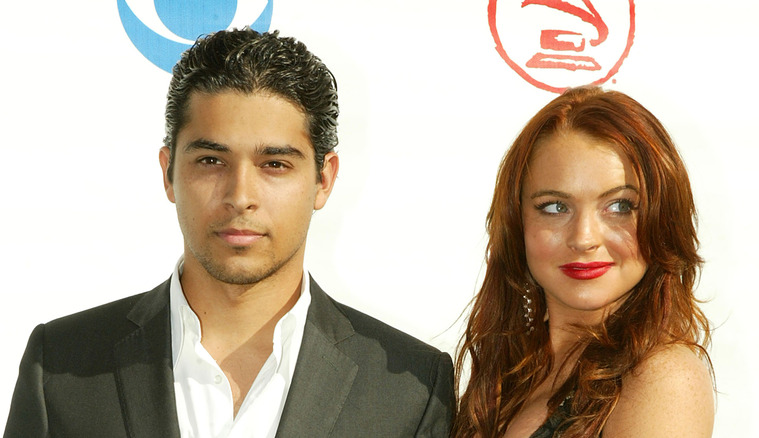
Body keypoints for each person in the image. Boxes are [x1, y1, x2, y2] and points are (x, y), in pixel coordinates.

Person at [4, 28, 454, 437]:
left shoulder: (410, 389)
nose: (240, 196)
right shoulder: (62, 365)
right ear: (168, 174)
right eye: (211, 161)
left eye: (274, 164)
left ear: (323, 179)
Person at [452, 86, 714, 437]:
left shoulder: (663, 376)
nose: (584, 238)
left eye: (620, 206)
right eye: (555, 207)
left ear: (662, 219)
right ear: (518, 224)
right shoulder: (511, 378)